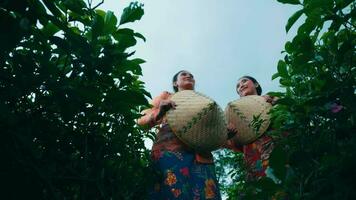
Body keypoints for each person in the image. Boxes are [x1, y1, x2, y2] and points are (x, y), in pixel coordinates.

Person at [138, 70, 222, 200]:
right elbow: (141, 121)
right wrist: (159, 113)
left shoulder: (204, 103)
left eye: (191, 76)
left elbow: (214, 134)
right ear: (175, 83)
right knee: (171, 195)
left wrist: (225, 134)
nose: (189, 76)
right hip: (170, 153)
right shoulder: (166, 96)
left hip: (201, 157)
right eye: (184, 74)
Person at [226, 76, 277, 181]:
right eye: (238, 86)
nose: (241, 86)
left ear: (256, 84)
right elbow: (233, 143)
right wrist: (228, 135)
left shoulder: (271, 99)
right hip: (254, 161)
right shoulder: (234, 117)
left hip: (278, 151)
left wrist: (275, 101)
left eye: (244, 81)